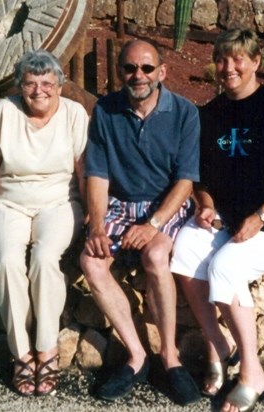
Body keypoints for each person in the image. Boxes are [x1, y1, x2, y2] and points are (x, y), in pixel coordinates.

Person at [171, 28, 264, 412]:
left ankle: (253, 373)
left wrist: (261, 216)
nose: (228, 67)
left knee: (225, 266)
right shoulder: (209, 114)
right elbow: (199, 178)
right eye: (221, 59)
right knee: (183, 251)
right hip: (228, 218)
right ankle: (219, 346)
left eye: (238, 59)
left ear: (256, 63)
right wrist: (204, 204)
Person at [0, 49, 89, 397]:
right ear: (20, 86)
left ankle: (46, 350)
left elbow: (82, 170)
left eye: (47, 83)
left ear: (60, 85)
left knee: (46, 258)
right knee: (7, 263)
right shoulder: (4, 111)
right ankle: (22, 355)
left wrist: (93, 217)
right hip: (8, 202)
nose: (39, 91)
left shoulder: (75, 114)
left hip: (59, 201)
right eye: (30, 83)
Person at [80, 39, 201, 405]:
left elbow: (185, 180)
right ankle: (137, 355)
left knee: (156, 256)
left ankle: (170, 356)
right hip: (120, 205)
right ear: (120, 72)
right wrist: (97, 226)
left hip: (166, 205)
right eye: (130, 68)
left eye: (147, 68)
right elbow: (97, 175)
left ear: (161, 72)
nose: (139, 75)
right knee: (91, 261)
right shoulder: (105, 111)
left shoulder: (184, 112)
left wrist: (153, 225)